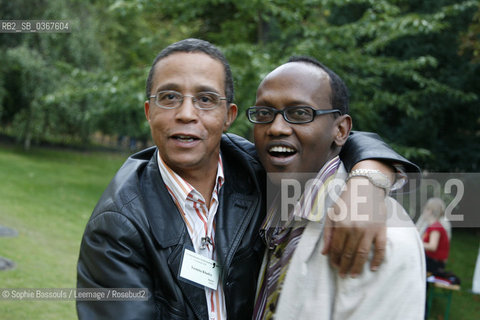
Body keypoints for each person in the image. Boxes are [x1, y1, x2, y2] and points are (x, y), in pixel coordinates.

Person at [76, 39, 420, 320]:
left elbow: (325, 141)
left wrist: (370, 180)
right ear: (149, 112)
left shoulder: (256, 169)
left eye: (206, 99)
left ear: (229, 116)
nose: (186, 113)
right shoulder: (116, 227)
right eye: (169, 98)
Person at [249, 56, 426, 319]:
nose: (276, 128)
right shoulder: (259, 196)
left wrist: (369, 180)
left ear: (341, 130)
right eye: (264, 113)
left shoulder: (383, 236)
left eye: (300, 113)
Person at [416, 197, 450, 274]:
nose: (423, 212)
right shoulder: (432, 226)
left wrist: (417, 243)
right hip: (431, 260)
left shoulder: (435, 228)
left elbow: (432, 246)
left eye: (425, 209)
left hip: (435, 263)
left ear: (430, 211)